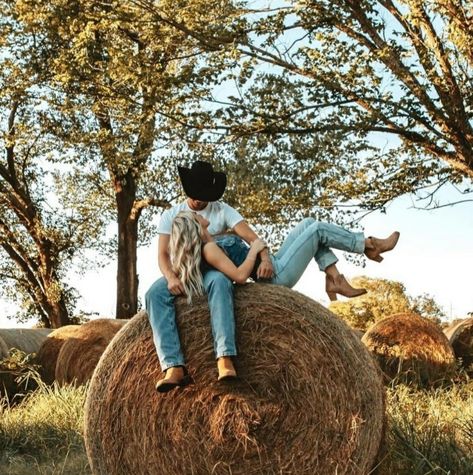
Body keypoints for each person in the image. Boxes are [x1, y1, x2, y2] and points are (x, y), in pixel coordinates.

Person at [169, 211, 400, 381]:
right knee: (318, 230)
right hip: (276, 276)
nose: (201, 215)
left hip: (274, 263)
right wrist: (253, 250)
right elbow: (239, 276)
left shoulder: (212, 241)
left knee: (309, 223)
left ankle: (334, 277)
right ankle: (369, 245)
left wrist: (257, 249)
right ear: (194, 227)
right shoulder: (210, 249)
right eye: (195, 217)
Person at [145, 160, 273, 393]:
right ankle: (173, 366)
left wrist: (264, 258)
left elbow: (253, 238)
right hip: (185, 270)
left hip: (213, 270)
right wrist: (171, 277)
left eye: (202, 195)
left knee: (221, 282)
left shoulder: (223, 210)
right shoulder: (171, 215)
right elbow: (163, 255)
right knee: (153, 293)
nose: (197, 199)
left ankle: (224, 356)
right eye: (193, 194)